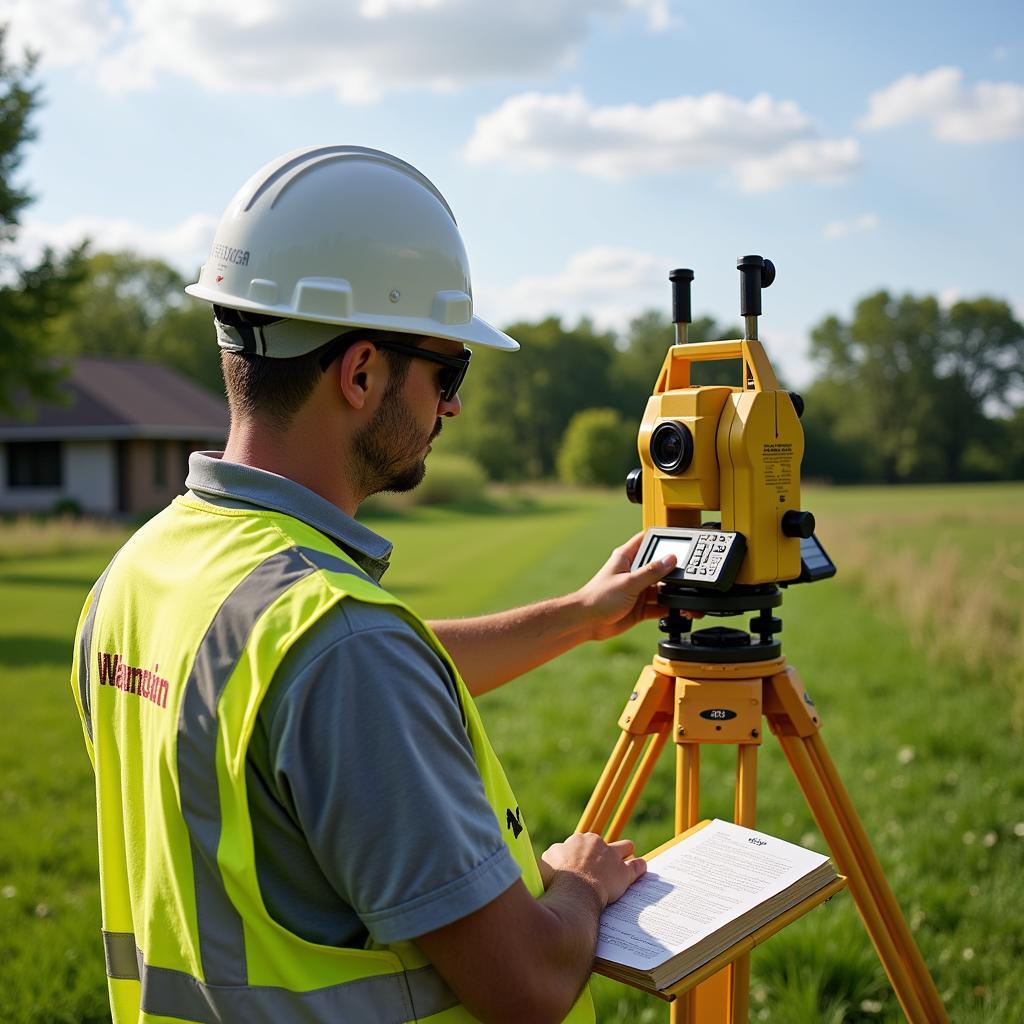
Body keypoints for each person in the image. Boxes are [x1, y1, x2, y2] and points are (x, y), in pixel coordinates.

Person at [71, 146, 682, 1024]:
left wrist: (580, 618)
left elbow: (316, 709)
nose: (454, 407)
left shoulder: (144, 571)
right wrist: (580, 888)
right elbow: (530, 984)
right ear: (360, 373)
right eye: (448, 372)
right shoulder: (340, 647)